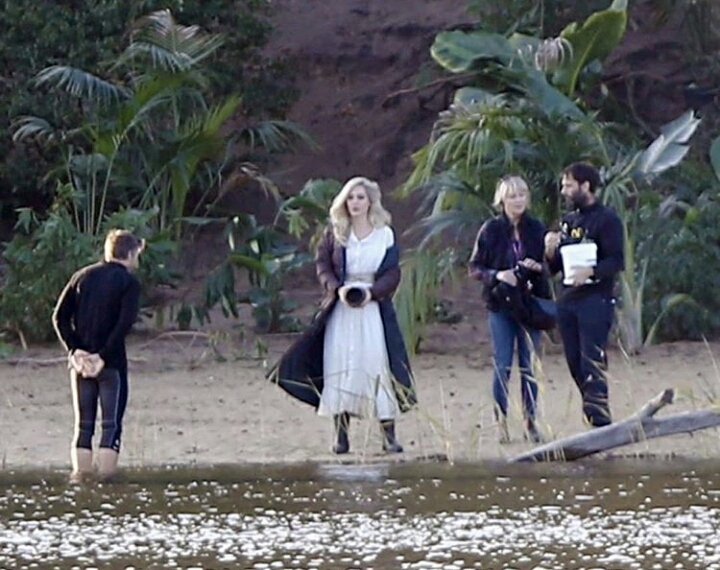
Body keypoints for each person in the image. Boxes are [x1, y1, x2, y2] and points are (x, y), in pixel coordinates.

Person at [268, 176, 416, 454]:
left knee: (377, 365)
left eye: (360, 197)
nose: (355, 203)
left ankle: (388, 435)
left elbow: (392, 271)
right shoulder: (335, 232)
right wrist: (337, 289)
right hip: (341, 310)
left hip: (372, 310)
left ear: (370, 201)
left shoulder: (385, 234)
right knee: (341, 365)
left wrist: (373, 293)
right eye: (350, 197)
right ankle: (341, 436)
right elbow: (322, 265)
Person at [52, 229, 145, 481]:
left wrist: (75, 350)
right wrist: (102, 356)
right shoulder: (128, 283)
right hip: (110, 364)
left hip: (82, 364)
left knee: (83, 427)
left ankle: (81, 480)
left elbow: (59, 317)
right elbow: (124, 324)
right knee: (111, 426)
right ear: (131, 253)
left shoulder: (82, 276)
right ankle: (106, 482)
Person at [468, 175, 551, 444]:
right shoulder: (491, 229)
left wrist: (538, 268)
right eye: (512, 196)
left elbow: (548, 266)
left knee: (530, 365)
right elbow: (474, 268)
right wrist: (498, 275)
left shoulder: (536, 228)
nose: (518, 201)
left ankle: (530, 421)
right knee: (502, 363)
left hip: (530, 303)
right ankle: (500, 420)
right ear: (502, 200)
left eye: (522, 195)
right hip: (500, 303)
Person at [544, 162, 624, 428]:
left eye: (569, 185)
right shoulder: (568, 221)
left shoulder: (607, 219)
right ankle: (592, 411)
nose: (564, 191)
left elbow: (616, 260)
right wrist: (550, 251)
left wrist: (591, 271)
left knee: (592, 359)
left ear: (585, 186)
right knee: (574, 361)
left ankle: (600, 418)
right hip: (568, 299)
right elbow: (555, 268)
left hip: (595, 299)